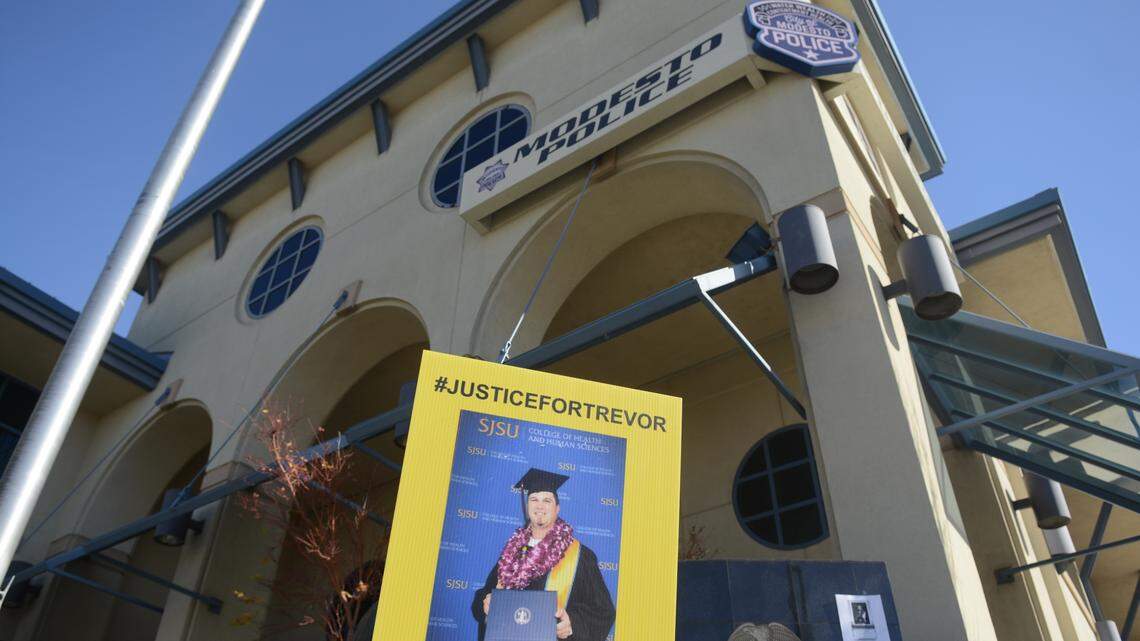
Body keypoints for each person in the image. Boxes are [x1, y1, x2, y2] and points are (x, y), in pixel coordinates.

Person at [472, 468, 615, 641]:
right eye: (534, 499)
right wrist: (485, 604)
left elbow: (603, 611)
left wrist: (572, 625)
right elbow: (486, 594)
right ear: (527, 507)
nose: (539, 506)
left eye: (547, 500)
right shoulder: (512, 551)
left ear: (557, 509)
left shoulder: (580, 556)